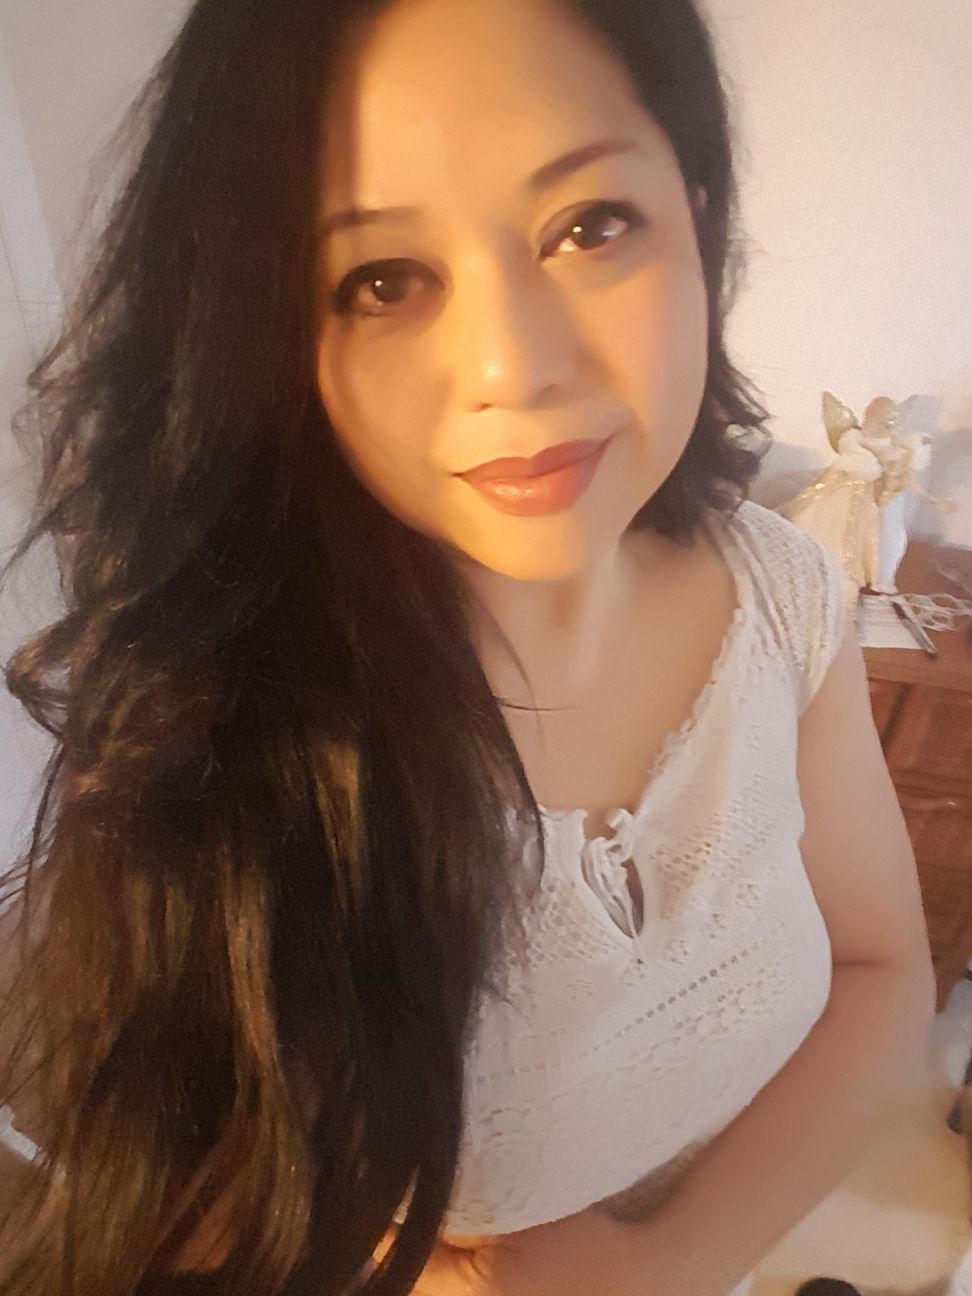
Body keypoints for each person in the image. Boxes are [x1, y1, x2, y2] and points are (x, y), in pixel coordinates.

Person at [0, 1, 936, 1294]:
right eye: (384, 281)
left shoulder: (783, 597)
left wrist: (662, 1265)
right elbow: (195, 1207)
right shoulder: (230, 739)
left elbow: (886, 974)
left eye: (589, 225)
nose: (512, 366)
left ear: (699, 212)